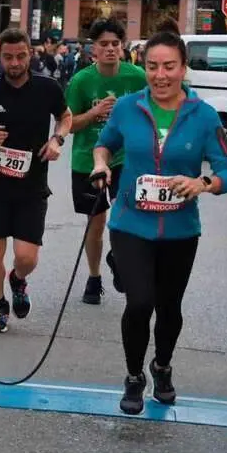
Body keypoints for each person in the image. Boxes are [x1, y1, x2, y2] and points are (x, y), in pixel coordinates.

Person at [91, 30, 227, 415]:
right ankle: (134, 376)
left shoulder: (204, 115)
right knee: (140, 302)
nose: (160, 75)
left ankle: (162, 366)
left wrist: (202, 183)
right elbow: (104, 143)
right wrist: (102, 163)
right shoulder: (127, 107)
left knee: (169, 307)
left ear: (183, 68)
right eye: (153, 66)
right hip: (130, 223)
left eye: (169, 66)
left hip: (179, 230)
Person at [0, 27, 72, 334]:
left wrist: (57, 140)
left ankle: (18, 280)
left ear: (30, 54)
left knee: (26, 256)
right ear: (0, 56)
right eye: (8, 57)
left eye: (20, 56)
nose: (14, 63)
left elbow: (66, 116)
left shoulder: (48, 88)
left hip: (31, 186)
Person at [65, 17, 147, 304]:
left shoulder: (137, 76)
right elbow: (68, 123)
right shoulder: (81, 81)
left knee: (129, 215)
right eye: (104, 44)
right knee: (96, 223)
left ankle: (119, 256)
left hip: (126, 157)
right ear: (93, 50)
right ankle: (94, 276)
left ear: (122, 47)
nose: (110, 49)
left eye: (115, 44)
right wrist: (94, 113)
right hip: (89, 159)